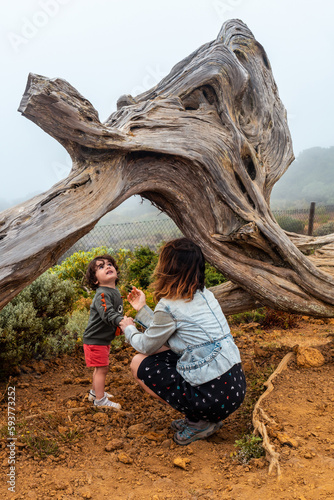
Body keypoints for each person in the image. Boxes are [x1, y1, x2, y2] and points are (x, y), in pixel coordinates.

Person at [120, 238, 246, 445]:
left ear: (167, 268)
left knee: (138, 363)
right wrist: (142, 309)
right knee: (163, 348)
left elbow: (145, 345)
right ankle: (201, 417)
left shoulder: (169, 305)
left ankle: (198, 421)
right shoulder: (206, 295)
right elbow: (164, 332)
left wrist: (129, 328)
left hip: (214, 397)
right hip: (235, 388)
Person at [83, 254, 127, 409]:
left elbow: (117, 312)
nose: (108, 267)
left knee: (99, 368)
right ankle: (100, 402)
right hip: (95, 340)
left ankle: (95, 393)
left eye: (110, 264)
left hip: (101, 340)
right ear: (95, 280)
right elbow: (108, 314)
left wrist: (122, 322)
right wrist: (122, 322)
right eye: (101, 267)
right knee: (102, 368)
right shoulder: (102, 294)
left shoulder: (114, 292)